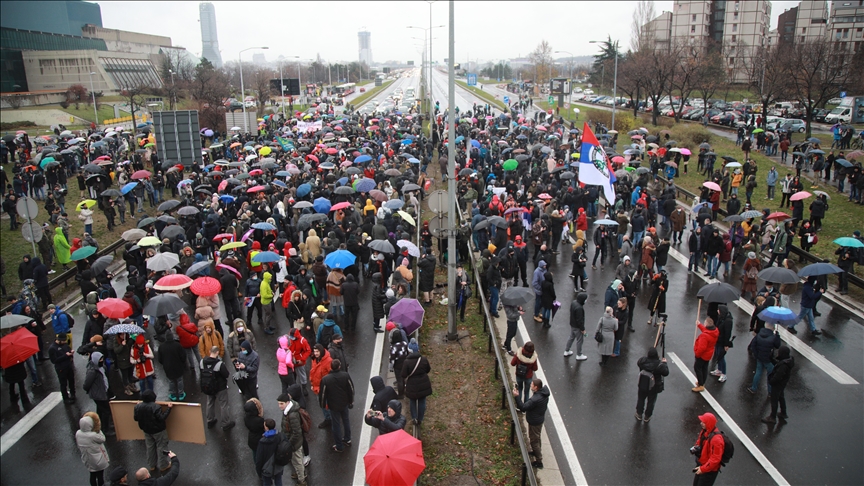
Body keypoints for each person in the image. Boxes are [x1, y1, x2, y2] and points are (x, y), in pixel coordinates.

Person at [513, 378, 550, 469]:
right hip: (539, 420)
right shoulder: (544, 395)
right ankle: (536, 451)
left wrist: (517, 396)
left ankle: (539, 461)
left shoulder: (535, 399)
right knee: (537, 437)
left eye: (532, 385)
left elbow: (523, 407)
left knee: (534, 441)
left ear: (536, 387)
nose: (530, 385)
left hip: (534, 422)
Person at [318, 359, 354, 452]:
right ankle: (347, 438)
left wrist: (322, 405)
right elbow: (351, 389)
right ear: (339, 366)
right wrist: (351, 401)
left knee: (336, 424)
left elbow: (322, 394)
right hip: (344, 402)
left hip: (333, 405)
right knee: (346, 421)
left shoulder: (326, 379)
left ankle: (339, 445)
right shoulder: (345, 375)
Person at [134, 390, 173, 473]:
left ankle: (152, 465)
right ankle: (163, 465)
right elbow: (162, 418)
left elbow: (136, 418)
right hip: (158, 431)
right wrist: (169, 408)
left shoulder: (138, 407)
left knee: (150, 447)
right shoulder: (156, 407)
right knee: (162, 447)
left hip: (146, 430)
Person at [201, 345, 234, 431]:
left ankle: (210, 420)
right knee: (223, 405)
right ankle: (225, 423)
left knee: (210, 403)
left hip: (208, 387)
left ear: (209, 351)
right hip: (220, 388)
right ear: (217, 352)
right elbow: (226, 375)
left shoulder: (202, 362)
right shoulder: (219, 364)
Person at [83, 352, 115, 436]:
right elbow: (86, 384)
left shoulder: (101, 367)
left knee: (101, 410)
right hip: (99, 395)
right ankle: (105, 429)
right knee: (106, 411)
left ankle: (100, 424)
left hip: (103, 392)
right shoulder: (92, 371)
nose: (102, 360)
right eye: (100, 359)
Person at [635, 347, 669, 423]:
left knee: (641, 399)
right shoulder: (660, 365)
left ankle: (639, 413)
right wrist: (665, 363)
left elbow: (639, 363)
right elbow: (666, 373)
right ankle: (647, 416)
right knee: (651, 402)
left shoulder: (642, 361)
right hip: (654, 386)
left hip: (643, 383)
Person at [76, 412, 110, 486]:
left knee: (92, 475)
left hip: (87, 459)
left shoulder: (78, 433)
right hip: (98, 459)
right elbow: (103, 439)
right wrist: (98, 429)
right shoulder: (93, 435)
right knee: (100, 475)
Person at [762, 345, 794, 424]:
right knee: (781, 397)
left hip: (777, 384)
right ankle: (783, 412)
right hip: (782, 384)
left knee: (774, 400)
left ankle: (772, 417)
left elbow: (778, 376)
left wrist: (771, 381)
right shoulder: (788, 361)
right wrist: (772, 359)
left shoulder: (783, 366)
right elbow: (778, 364)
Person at [691, 413, 725, 486]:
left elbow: (715, 458)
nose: (701, 423)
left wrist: (703, 469)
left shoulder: (716, 439)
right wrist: (696, 447)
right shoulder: (705, 431)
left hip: (709, 470)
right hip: (702, 465)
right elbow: (699, 441)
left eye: (704, 422)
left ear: (708, 423)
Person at [402, 345, 432, 426]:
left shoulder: (407, 362)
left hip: (412, 385)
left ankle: (414, 417)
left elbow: (403, 374)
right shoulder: (424, 359)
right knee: (422, 401)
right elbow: (428, 369)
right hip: (423, 384)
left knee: (412, 401)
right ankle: (420, 419)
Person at [748, 323, 781, 394]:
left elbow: (753, 345)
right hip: (768, 359)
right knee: (770, 374)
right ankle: (770, 391)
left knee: (758, 372)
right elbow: (778, 345)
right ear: (772, 328)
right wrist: (777, 335)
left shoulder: (759, 334)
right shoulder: (773, 337)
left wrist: (757, 355)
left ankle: (753, 388)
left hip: (760, 357)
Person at [157, 332, 187, 401]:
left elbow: (160, 359)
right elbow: (183, 356)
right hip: (178, 366)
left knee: (171, 381)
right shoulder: (178, 345)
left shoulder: (162, 347)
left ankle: (173, 394)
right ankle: (181, 393)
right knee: (179, 380)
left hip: (168, 367)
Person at [254, 418, 285, 486]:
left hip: (266, 468)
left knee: (267, 483)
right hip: (278, 465)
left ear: (267, 428)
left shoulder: (262, 442)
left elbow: (259, 458)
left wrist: (259, 471)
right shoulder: (280, 436)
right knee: (278, 481)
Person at [692, 318, 718, 392]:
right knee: (704, 368)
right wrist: (699, 325)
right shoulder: (715, 331)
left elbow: (701, 348)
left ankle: (700, 384)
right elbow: (706, 331)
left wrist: (697, 354)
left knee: (697, 368)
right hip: (708, 354)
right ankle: (702, 382)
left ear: (706, 324)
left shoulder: (704, 336)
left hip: (702, 355)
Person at [48, 332, 76, 403]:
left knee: (71, 380)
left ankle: (73, 394)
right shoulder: (52, 348)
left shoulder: (65, 345)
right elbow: (54, 360)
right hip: (61, 368)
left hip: (68, 366)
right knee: (63, 384)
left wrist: (71, 353)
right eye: (63, 341)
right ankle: (65, 398)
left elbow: (68, 350)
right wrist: (66, 356)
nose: (64, 342)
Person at [564, 292, 588, 360]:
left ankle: (567, 350)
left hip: (572, 324)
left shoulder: (574, 303)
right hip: (577, 327)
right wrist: (582, 329)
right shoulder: (579, 308)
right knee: (580, 340)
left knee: (571, 337)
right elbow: (580, 320)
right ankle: (579, 354)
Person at [244, 398, 266, 462]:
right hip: (259, 439)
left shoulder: (246, 418)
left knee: (255, 454)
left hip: (251, 439)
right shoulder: (259, 420)